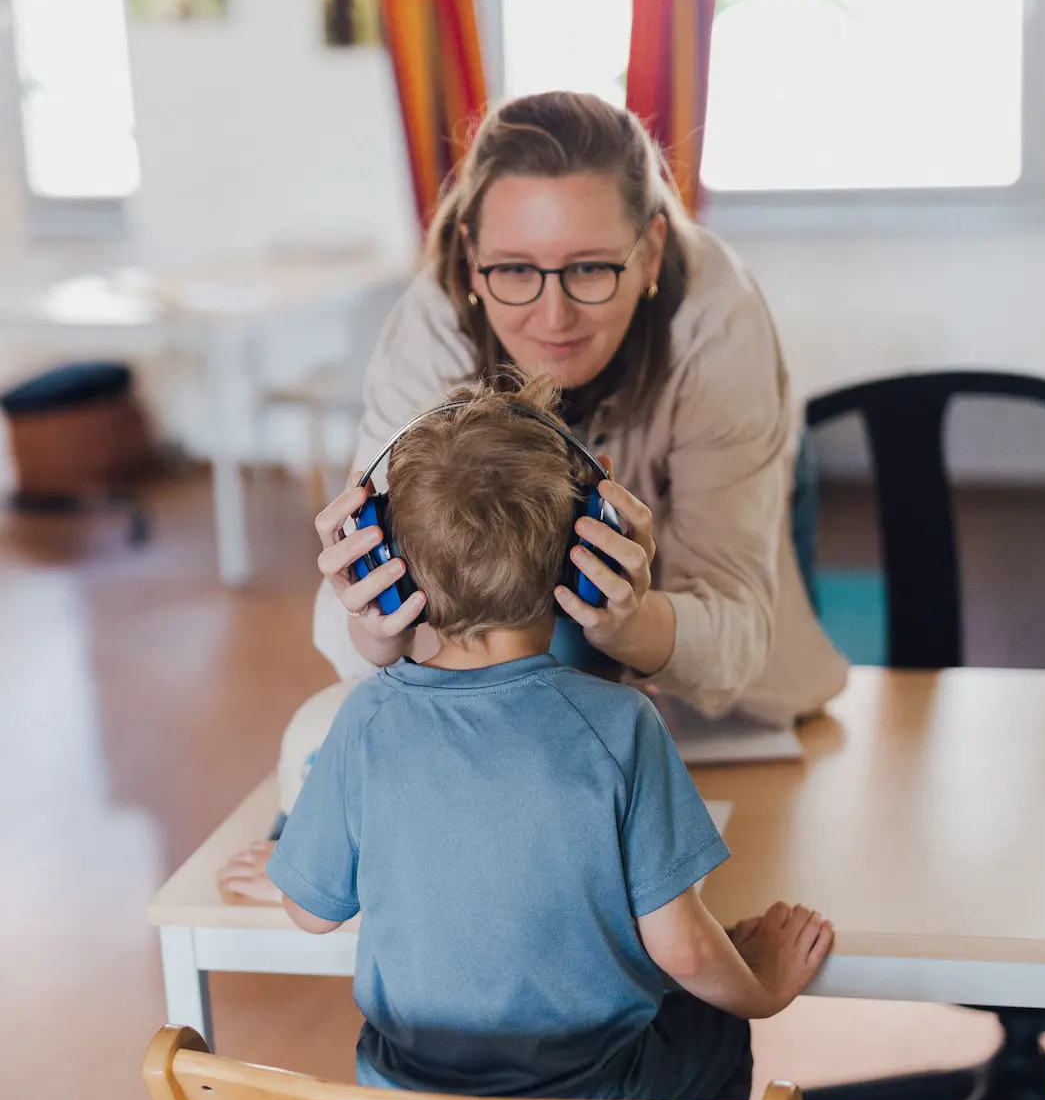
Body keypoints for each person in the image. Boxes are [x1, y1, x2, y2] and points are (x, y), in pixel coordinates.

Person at [267, 377, 834, 1100]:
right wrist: (762, 984)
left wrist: (285, 849)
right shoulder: (617, 729)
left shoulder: (365, 723)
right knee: (705, 1033)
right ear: (584, 550)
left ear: (389, 565)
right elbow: (683, 950)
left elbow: (309, 906)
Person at [220, 89, 846, 902]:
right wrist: (371, 628)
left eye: (590, 268)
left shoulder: (715, 323)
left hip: (708, 675)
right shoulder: (432, 326)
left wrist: (634, 623)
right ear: (473, 256)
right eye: (514, 270)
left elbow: (734, 642)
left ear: (651, 252)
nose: (553, 316)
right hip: (529, 697)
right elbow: (357, 634)